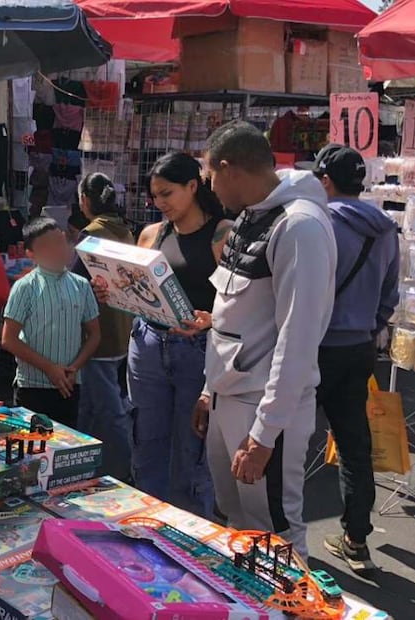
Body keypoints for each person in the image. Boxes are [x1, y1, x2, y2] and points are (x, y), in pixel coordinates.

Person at [195, 121, 336, 560]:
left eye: (209, 177)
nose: (209, 188)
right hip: (229, 396)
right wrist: (208, 390)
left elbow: (298, 337)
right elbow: (230, 314)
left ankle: (292, 608)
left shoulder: (299, 227)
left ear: (227, 168)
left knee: (276, 531)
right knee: (238, 522)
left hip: (262, 407)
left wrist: (264, 434)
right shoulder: (251, 215)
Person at [99, 152, 231, 518]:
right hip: (148, 345)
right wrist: (111, 291)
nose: (160, 203)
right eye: (154, 196)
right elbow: (136, 291)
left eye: (167, 193)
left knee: (192, 449)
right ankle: (147, 523)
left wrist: (211, 320)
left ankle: (190, 533)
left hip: (198, 351)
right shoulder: (151, 234)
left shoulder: (222, 234)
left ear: (193, 186)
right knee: (147, 440)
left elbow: (241, 303)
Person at [306, 145, 399, 571]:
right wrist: (367, 323)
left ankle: (280, 534)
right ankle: (356, 539)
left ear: (325, 180)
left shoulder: (318, 223)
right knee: (353, 445)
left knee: (286, 439)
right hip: (359, 347)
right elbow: (389, 296)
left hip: (314, 347)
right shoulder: (385, 230)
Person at [2, 217, 100, 429]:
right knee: (31, 450)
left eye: (59, 242)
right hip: (32, 387)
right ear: (31, 254)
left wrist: (74, 367)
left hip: (69, 385)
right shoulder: (25, 287)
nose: (56, 250)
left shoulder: (81, 286)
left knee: (65, 448)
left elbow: (94, 334)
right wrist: (49, 368)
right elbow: (8, 340)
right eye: (46, 246)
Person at [71, 173, 135, 480]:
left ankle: (124, 468)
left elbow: (75, 281)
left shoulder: (91, 234)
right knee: (94, 405)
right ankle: (83, 463)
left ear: (85, 200)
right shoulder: (124, 230)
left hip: (100, 333)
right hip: (123, 328)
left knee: (110, 410)